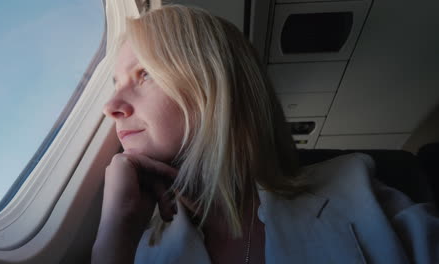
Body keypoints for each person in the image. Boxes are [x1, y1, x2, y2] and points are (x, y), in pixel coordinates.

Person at [92, 5, 439, 264]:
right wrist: (112, 244)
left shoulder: (358, 190)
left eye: (145, 74)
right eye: (116, 84)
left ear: (218, 86)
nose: (111, 106)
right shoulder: (133, 246)